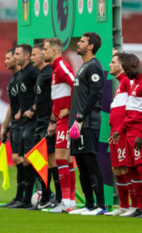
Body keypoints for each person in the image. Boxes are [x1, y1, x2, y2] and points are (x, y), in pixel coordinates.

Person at [110, 53, 142, 218]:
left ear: (133, 67)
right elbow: (130, 113)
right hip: (129, 132)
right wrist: (119, 131)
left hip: (139, 133)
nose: (125, 73)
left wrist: (141, 134)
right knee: (131, 170)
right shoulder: (135, 84)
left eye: (126, 69)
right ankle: (139, 206)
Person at [67, 32, 106, 215]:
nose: (79, 43)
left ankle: (100, 205)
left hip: (87, 123)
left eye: (82, 41)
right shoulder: (83, 67)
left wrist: (80, 118)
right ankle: (89, 204)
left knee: (90, 162)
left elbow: (95, 95)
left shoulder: (94, 67)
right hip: (77, 124)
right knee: (81, 164)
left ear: (91, 46)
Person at [43, 38, 75, 212]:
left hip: (68, 120)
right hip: (61, 120)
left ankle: (66, 203)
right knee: (66, 159)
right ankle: (69, 202)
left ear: (54, 52)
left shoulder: (62, 67)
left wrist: (70, 110)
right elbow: (58, 100)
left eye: (46, 49)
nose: (43, 53)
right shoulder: (55, 70)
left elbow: (77, 84)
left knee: (61, 158)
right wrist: (52, 121)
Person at [8, 44, 40, 209]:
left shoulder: (34, 72)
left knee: (29, 159)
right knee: (21, 159)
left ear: (26, 56)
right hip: (23, 122)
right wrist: (21, 110)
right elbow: (25, 96)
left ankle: (29, 198)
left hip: (33, 121)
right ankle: (21, 198)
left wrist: (32, 109)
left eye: (17, 54)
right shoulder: (21, 74)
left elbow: (40, 93)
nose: (15, 57)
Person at [104, 52, 135, 216]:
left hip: (122, 133)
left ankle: (133, 206)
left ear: (122, 65)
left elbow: (133, 109)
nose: (110, 65)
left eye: (113, 61)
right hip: (115, 133)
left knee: (125, 169)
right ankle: (124, 206)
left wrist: (121, 129)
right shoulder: (120, 85)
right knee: (117, 169)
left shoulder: (129, 82)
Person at [31, 43, 57, 209]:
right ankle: (46, 195)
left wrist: (52, 121)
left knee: (49, 161)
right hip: (39, 122)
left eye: (34, 55)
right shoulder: (41, 74)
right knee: (38, 161)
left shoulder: (49, 74)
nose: (32, 58)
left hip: (47, 123)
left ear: (42, 56)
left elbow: (56, 98)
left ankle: (50, 196)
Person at [0, 48, 24, 208]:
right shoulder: (14, 79)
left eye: (10, 57)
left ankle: (28, 196)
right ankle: (19, 197)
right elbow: (12, 106)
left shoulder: (24, 77)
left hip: (25, 124)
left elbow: (29, 99)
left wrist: (25, 110)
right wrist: (5, 125)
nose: (6, 61)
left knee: (23, 159)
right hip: (15, 124)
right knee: (17, 159)